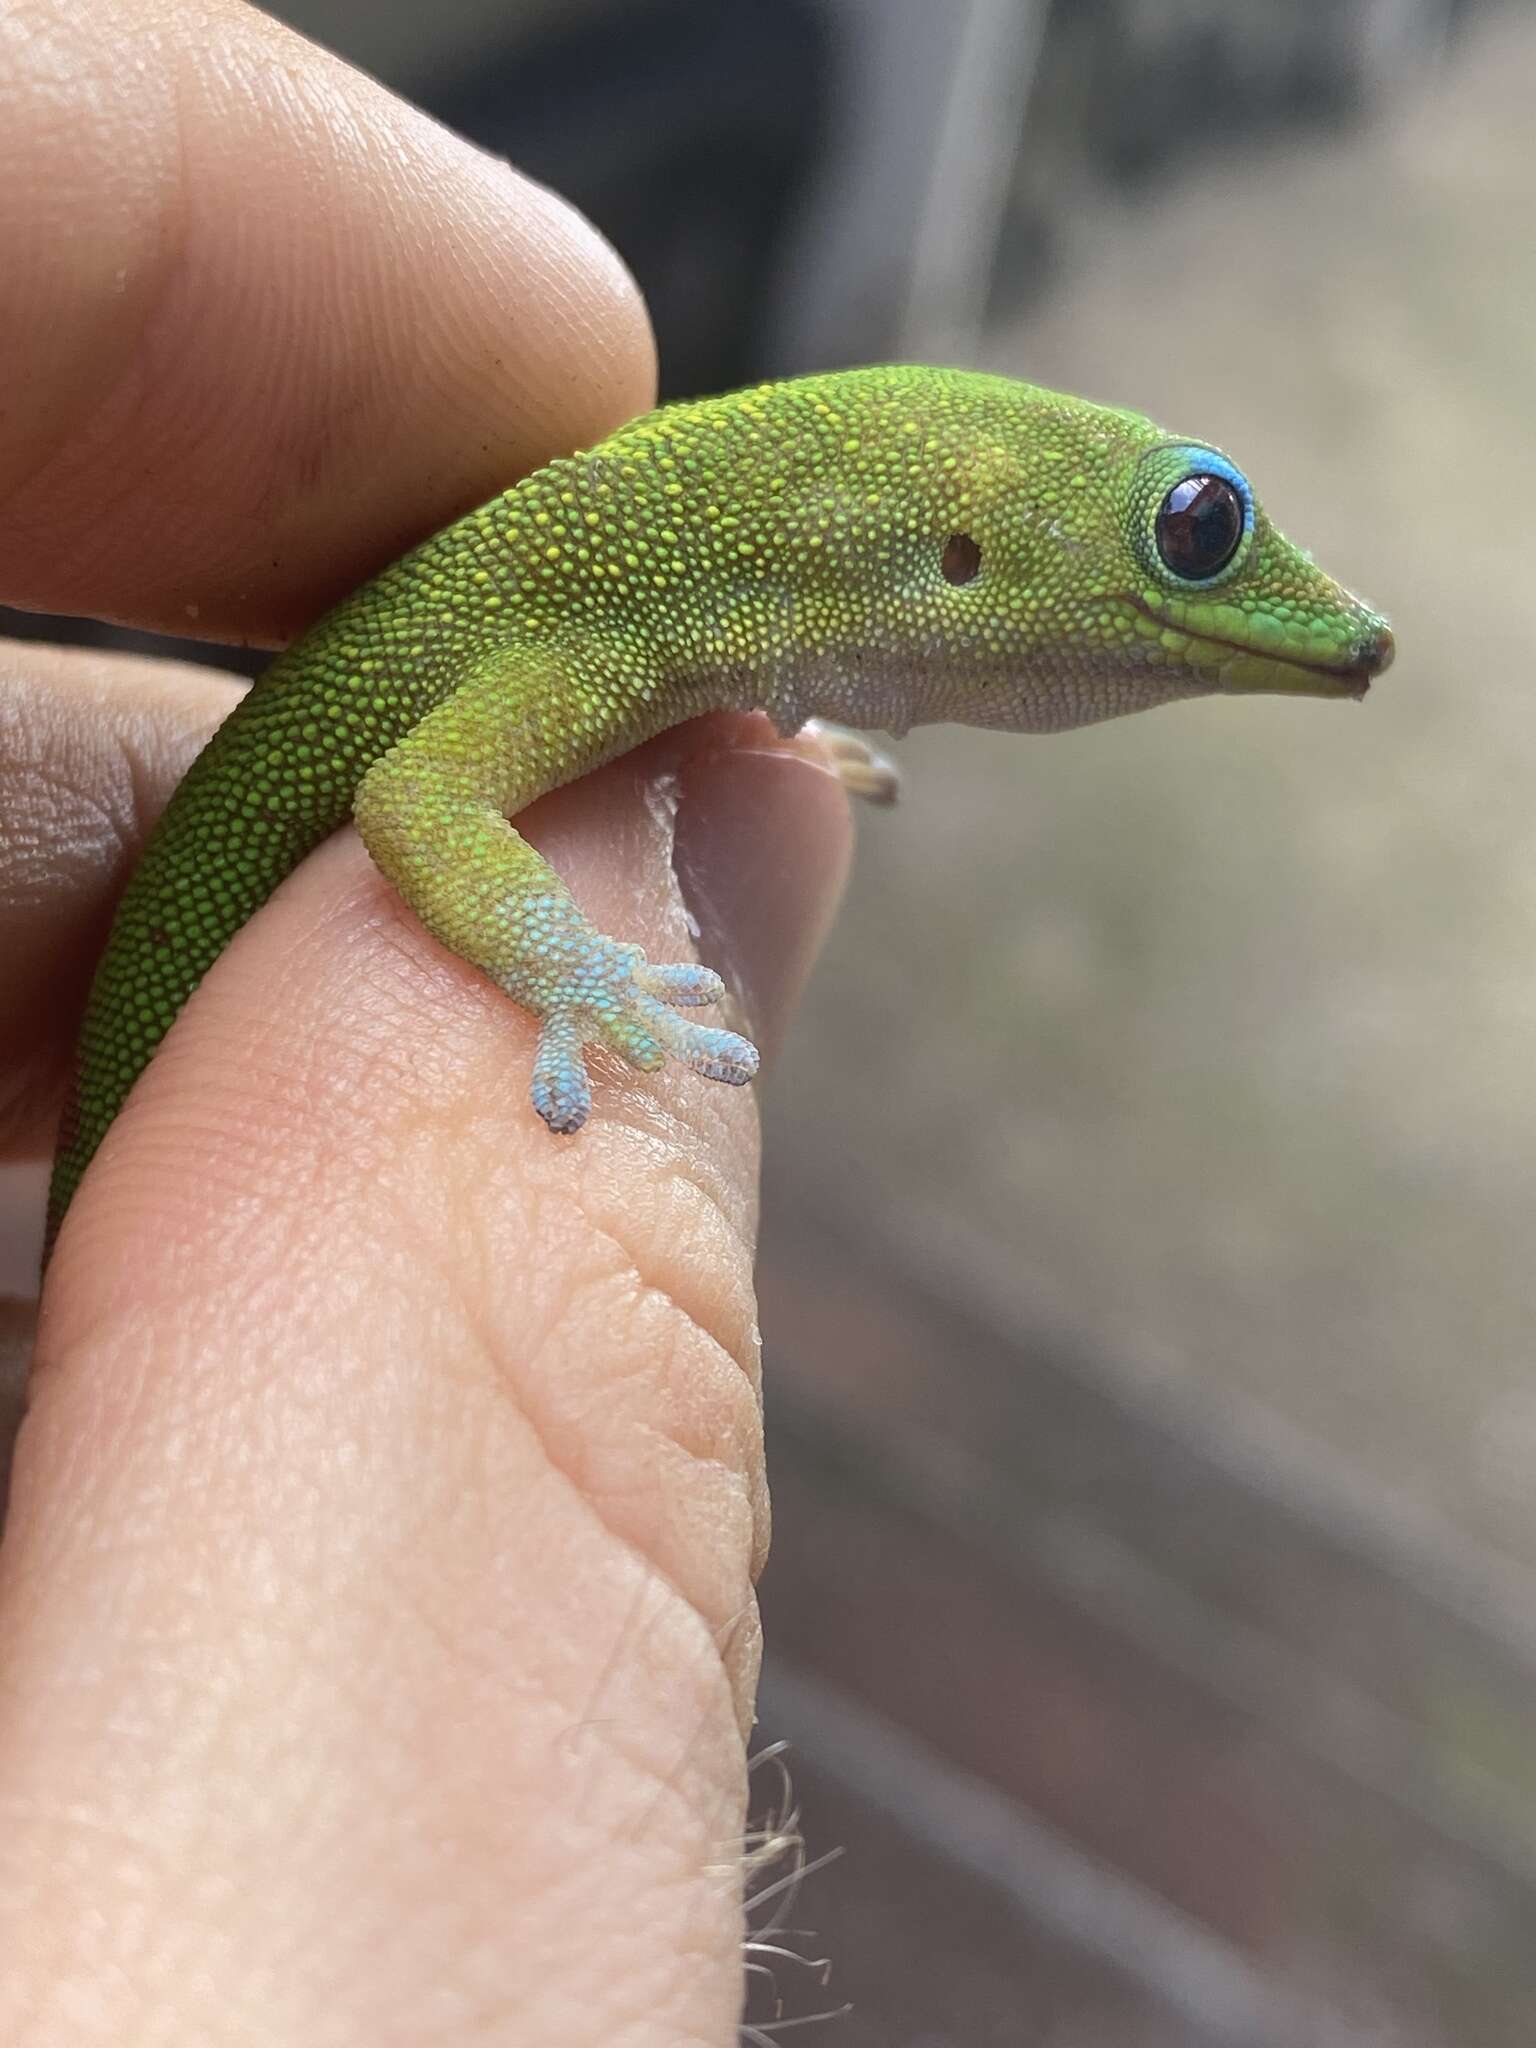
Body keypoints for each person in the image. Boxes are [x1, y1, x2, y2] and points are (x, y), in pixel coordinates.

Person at [0, 4, 851, 2038]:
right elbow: (416, 797)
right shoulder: (624, 601)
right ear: (959, 538)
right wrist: (576, 965)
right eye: (1190, 541)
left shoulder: (678, 613)